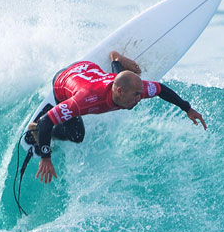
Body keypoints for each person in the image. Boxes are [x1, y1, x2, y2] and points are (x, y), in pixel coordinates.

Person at [27, 51, 206, 183]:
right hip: (63, 80)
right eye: (135, 95)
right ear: (120, 92)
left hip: (88, 68)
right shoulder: (84, 100)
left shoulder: (134, 89)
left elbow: (160, 89)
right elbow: (46, 121)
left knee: (114, 77)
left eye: (139, 94)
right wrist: (46, 157)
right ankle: (36, 131)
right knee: (76, 136)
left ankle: (116, 59)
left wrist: (187, 108)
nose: (139, 98)